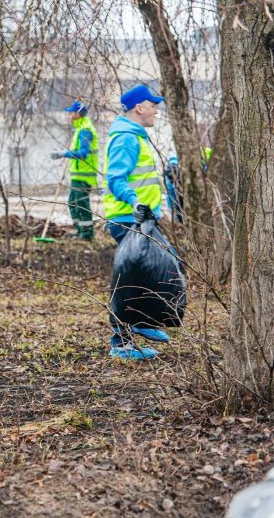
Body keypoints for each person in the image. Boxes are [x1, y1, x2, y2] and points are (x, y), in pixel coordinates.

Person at [103, 84, 170, 360]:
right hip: (128, 219)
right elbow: (116, 179)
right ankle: (123, 341)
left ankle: (141, 325)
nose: (156, 110)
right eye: (152, 104)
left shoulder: (135, 136)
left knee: (153, 271)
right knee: (133, 281)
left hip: (140, 219)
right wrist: (134, 201)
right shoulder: (126, 139)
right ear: (139, 107)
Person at [50, 101, 98, 240]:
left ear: (77, 114)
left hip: (84, 176)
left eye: (71, 113)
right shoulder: (79, 129)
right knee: (73, 202)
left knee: (82, 205)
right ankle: (79, 230)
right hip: (78, 176)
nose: (69, 116)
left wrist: (63, 153)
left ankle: (87, 234)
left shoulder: (85, 130)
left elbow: (82, 153)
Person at [164, 156, 183, 224]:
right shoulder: (181, 167)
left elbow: (169, 191)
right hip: (182, 198)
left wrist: (170, 206)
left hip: (175, 201)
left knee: (179, 221)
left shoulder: (168, 169)